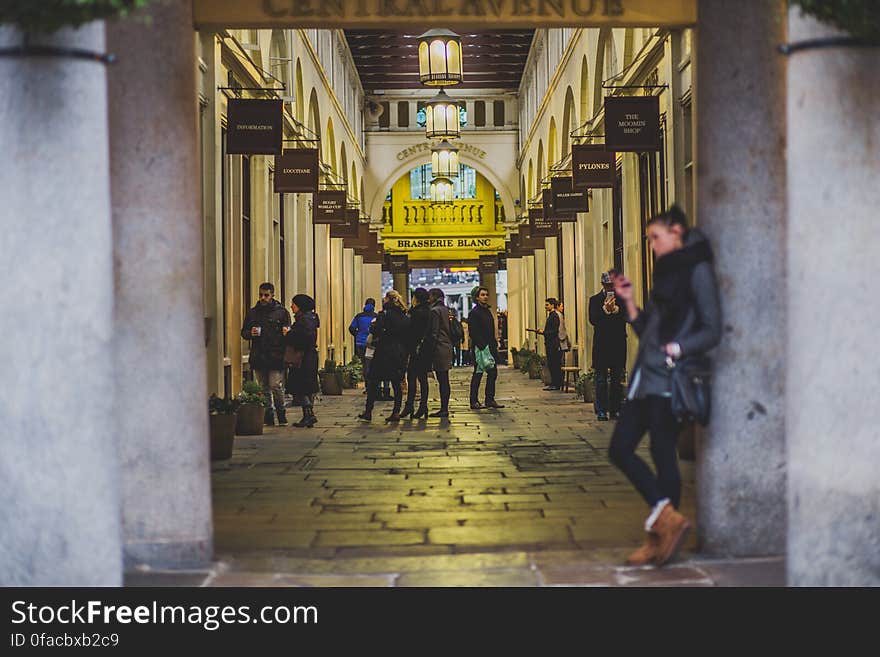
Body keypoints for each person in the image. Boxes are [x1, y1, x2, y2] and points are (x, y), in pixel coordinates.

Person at [608, 205, 721, 567]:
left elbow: (713, 329)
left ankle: (659, 541)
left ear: (677, 232)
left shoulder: (698, 269)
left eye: (655, 237)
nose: (652, 245)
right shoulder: (668, 272)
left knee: (661, 452)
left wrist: (678, 348)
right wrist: (628, 303)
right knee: (620, 448)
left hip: (672, 380)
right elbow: (648, 334)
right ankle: (667, 519)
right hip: (646, 379)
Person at [240, 282, 291, 426]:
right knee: (263, 387)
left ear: (272, 295)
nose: (263, 298)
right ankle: (268, 415)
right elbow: (243, 332)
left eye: (266, 295)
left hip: (276, 355)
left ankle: (281, 412)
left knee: (275, 385)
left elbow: (288, 331)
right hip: (259, 355)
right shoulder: (253, 312)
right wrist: (250, 333)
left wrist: (286, 333)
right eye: (261, 295)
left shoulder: (281, 312)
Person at [358, 290, 410, 423]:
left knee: (374, 380)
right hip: (399, 352)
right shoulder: (404, 315)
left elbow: (375, 329)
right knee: (396, 383)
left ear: (387, 299)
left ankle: (368, 411)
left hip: (384, 351)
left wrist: (375, 327)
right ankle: (396, 412)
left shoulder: (385, 314)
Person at [589, 271, 628, 421]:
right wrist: (605, 311)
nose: (610, 288)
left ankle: (615, 409)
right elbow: (593, 320)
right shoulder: (594, 300)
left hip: (617, 343)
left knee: (616, 379)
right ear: (602, 285)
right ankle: (601, 410)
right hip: (601, 344)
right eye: (607, 285)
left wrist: (617, 310)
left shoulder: (622, 299)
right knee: (601, 379)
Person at [284, 294, 319, 428]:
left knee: (301, 387)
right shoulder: (308, 319)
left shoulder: (305, 320)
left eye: (293, 304)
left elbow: (305, 338)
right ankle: (307, 415)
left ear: (300, 306)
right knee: (305, 387)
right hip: (307, 357)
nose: (291, 306)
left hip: (303, 358)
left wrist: (289, 334)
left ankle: (309, 414)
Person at [468, 286, 505, 410]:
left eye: (486, 294)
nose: (485, 297)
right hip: (481, 348)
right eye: (482, 295)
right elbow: (473, 332)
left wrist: (494, 345)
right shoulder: (474, 313)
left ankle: (490, 399)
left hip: (490, 347)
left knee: (492, 373)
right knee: (478, 374)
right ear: (477, 297)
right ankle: (474, 401)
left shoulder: (487, 311)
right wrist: (482, 346)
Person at [401, 287, 432, 420]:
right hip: (425, 350)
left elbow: (410, 332)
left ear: (416, 299)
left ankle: (410, 406)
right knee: (423, 379)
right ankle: (423, 406)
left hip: (416, 349)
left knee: (412, 377)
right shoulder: (429, 312)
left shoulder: (415, 313)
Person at [426, 288, 454, 417]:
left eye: (429, 296)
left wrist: (429, 350)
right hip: (447, 346)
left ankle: (444, 409)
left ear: (433, 297)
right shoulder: (447, 310)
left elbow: (434, 332)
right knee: (444, 379)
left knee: (442, 380)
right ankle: (444, 407)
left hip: (439, 348)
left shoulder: (435, 311)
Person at [537, 298, 564, 391]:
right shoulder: (552, 316)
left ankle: (556, 383)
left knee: (554, 364)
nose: (545, 306)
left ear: (552, 305)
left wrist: (543, 332)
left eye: (547, 305)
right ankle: (555, 383)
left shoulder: (554, 316)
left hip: (553, 344)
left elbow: (554, 331)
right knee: (552, 364)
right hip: (551, 344)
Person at [349, 298, 376, 377]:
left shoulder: (359, 316)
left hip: (360, 343)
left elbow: (351, 328)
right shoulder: (375, 316)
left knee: (364, 363)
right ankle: (371, 384)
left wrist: (357, 335)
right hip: (371, 343)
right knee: (371, 363)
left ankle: (367, 384)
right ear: (374, 306)